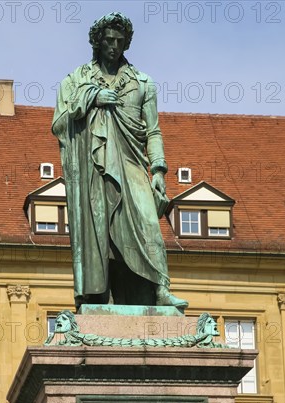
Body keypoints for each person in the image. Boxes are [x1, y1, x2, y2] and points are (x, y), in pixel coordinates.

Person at [52, 12, 187, 310]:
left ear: (127, 43)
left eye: (120, 41)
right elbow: (59, 123)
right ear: (97, 42)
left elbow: (153, 130)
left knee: (148, 222)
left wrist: (160, 171)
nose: (114, 46)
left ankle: (160, 290)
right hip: (93, 167)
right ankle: (102, 295)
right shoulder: (76, 80)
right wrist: (90, 99)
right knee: (101, 232)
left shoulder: (143, 83)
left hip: (132, 162)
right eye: (108, 40)